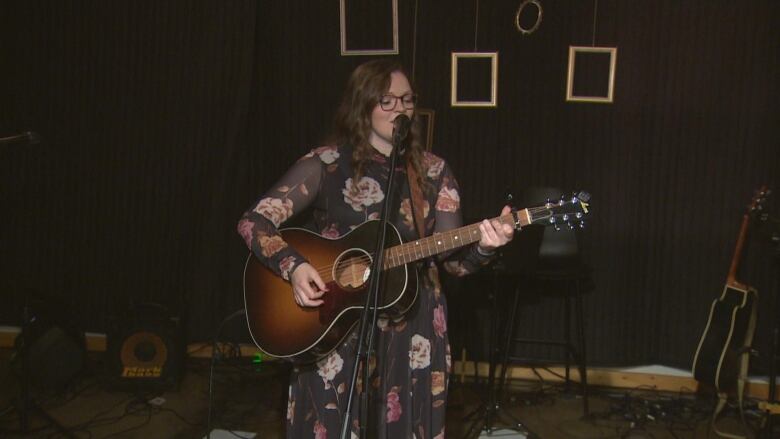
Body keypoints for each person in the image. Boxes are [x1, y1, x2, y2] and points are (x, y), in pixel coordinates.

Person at [237, 59, 514, 438]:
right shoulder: (326, 165)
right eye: (387, 101)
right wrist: (295, 266)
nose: (400, 109)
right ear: (362, 105)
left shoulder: (433, 173)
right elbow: (253, 221)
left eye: (407, 100)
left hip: (412, 326)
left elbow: (453, 266)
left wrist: (485, 246)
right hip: (335, 322)